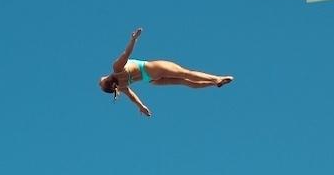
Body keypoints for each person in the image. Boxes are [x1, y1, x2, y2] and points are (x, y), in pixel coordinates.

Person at [98, 28, 233, 117]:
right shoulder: (116, 68)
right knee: (186, 74)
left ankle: (213, 84)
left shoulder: (121, 86)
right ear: (106, 80)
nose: (99, 81)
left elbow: (132, 97)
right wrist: (133, 39)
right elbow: (126, 53)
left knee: (183, 82)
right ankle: (216, 79)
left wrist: (141, 107)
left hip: (151, 81)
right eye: (100, 82)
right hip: (152, 69)